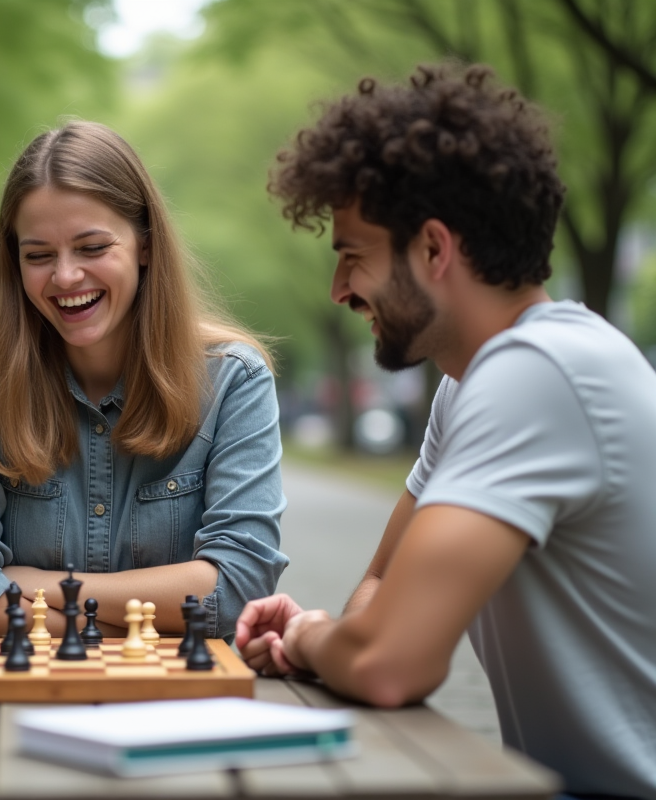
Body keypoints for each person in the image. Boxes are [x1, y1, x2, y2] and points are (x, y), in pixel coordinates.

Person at [236, 64, 656, 798]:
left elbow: (392, 665)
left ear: (434, 250)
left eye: (351, 256)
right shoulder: (473, 383)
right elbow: (378, 588)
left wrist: (312, 639)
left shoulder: (541, 372)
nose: (338, 292)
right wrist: (339, 640)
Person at [0, 121, 287, 641]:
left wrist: (36, 586)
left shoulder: (234, 379)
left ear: (144, 244)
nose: (65, 277)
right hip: (14, 703)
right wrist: (148, 613)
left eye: (92, 247)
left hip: (180, 707)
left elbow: (238, 587)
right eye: (39, 255)